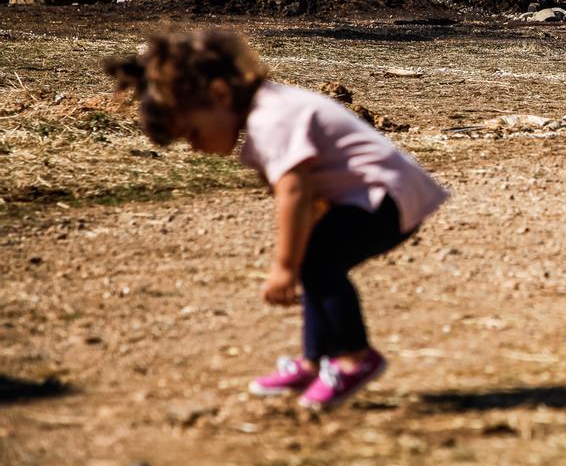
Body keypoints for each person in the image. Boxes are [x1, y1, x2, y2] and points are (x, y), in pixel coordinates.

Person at [105, 29, 448, 409]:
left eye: (193, 133)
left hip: (385, 197)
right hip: (374, 195)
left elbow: (294, 190)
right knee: (316, 263)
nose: (196, 147)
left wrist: (283, 267)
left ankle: (355, 359)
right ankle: (313, 361)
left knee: (317, 262)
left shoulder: (271, 118)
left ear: (219, 94)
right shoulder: (266, 111)